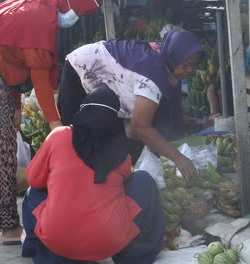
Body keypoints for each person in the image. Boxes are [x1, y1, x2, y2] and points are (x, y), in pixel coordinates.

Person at [0, 0, 98, 243]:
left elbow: (9, 56)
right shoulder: (39, 16)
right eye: (77, 12)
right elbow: (38, 76)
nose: (75, 18)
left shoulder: (20, 6)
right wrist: (55, 126)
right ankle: (9, 229)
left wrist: (17, 106)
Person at [22, 85, 164, 264]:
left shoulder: (58, 136)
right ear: (114, 119)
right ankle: (136, 254)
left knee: (33, 192)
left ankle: (44, 253)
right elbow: (127, 179)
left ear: (83, 110)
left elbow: (33, 179)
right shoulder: (121, 151)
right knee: (143, 179)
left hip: (59, 242)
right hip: (109, 242)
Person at [57, 30, 204, 179]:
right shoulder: (154, 74)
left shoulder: (163, 57)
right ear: (174, 57)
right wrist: (178, 157)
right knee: (76, 141)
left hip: (104, 81)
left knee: (115, 146)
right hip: (80, 72)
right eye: (186, 65)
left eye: (194, 66)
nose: (190, 70)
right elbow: (140, 127)